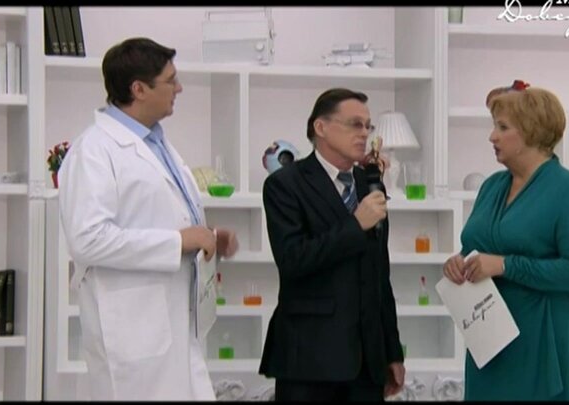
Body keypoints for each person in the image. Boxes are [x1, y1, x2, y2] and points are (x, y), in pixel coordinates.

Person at [57, 37, 239, 400]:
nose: (179, 88)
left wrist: (207, 236)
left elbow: (156, 215)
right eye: (170, 81)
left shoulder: (155, 143)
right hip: (133, 328)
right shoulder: (94, 149)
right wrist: (179, 241)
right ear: (138, 89)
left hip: (174, 318)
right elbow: (87, 240)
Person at [442, 80, 569, 400]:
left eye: (502, 127)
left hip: (541, 340)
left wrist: (505, 265)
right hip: (488, 339)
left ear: (531, 132)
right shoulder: (491, 186)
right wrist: (459, 263)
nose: (492, 136)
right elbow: (477, 249)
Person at [258, 88, 405, 401]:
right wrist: (355, 225)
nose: (364, 133)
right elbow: (293, 259)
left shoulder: (370, 184)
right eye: (355, 124)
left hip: (367, 363)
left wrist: (392, 351)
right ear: (321, 127)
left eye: (368, 126)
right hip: (309, 360)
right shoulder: (284, 184)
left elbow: (380, 275)